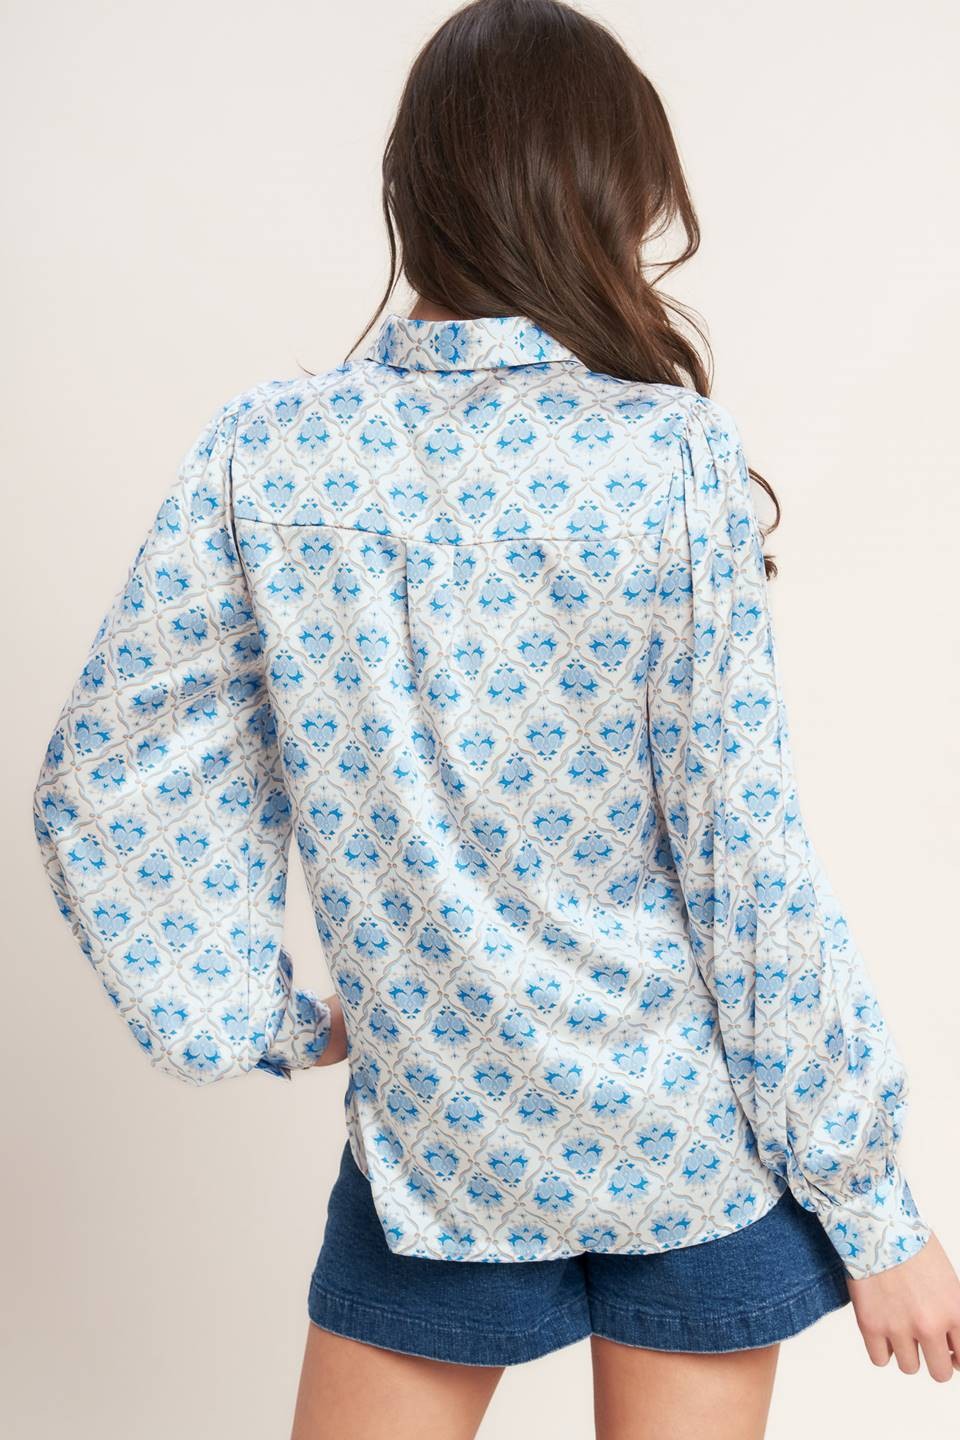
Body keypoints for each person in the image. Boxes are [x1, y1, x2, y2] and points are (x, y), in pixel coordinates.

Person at [31, 1, 958, 1437]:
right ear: (611, 195)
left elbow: (112, 777)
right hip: (684, 1139)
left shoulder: (271, 452)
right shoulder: (669, 457)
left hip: (442, 1145)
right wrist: (873, 1202)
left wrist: (265, 1020)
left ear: (414, 193)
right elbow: (746, 863)